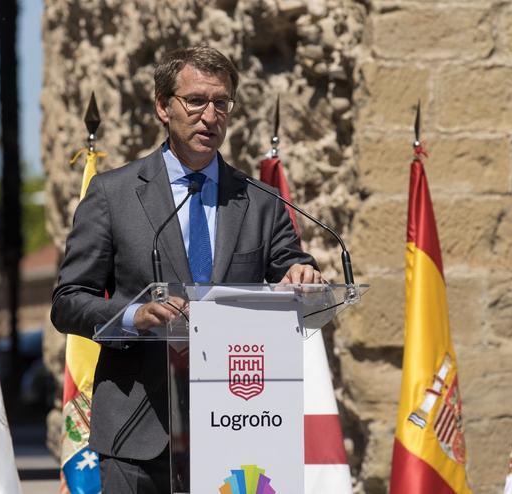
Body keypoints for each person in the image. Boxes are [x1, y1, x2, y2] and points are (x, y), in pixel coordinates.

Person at [51, 45, 322, 493]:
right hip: (139, 430)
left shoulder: (260, 201)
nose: (210, 115)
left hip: (240, 423)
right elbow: (68, 301)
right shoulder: (113, 195)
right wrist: (133, 316)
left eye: (222, 103)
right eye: (195, 100)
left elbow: (291, 263)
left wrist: (301, 272)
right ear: (163, 106)